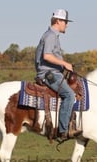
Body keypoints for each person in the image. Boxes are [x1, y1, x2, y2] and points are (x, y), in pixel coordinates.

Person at [35, 9, 82, 143]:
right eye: (65, 22)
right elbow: (47, 56)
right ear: (58, 21)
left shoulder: (52, 35)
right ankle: (63, 130)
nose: (66, 25)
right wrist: (64, 64)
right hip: (49, 74)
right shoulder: (50, 36)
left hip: (53, 72)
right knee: (69, 95)